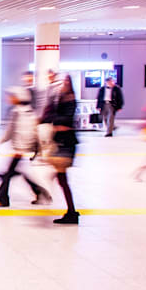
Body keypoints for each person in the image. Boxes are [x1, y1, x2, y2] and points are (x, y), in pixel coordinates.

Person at [0, 87, 51, 207]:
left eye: (12, 96)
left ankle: (2, 199)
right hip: (24, 148)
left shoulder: (17, 112)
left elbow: (11, 131)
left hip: (19, 149)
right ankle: (39, 192)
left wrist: (0, 142)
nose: (9, 98)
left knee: (8, 174)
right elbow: (32, 131)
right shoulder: (30, 112)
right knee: (17, 172)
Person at [47, 75, 80, 224]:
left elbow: (65, 120)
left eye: (66, 82)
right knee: (62, 179)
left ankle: (72, 212)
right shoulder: (62, 99)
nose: (63, 84)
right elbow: (52, 115)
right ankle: (71, 211)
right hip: (61, 141)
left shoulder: (70, 100)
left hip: (65, 143)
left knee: (62, 179)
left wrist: (58, 122)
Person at [37, 69, 63, 156]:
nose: (50, 77)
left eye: (51, 75)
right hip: (47, 114)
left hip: (53, 114)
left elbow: (55, 102)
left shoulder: (57, 87)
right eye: (48, 75)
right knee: (45, 134)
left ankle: (50, 151)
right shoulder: (48, 87)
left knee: (50, 134)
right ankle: (44, 151)